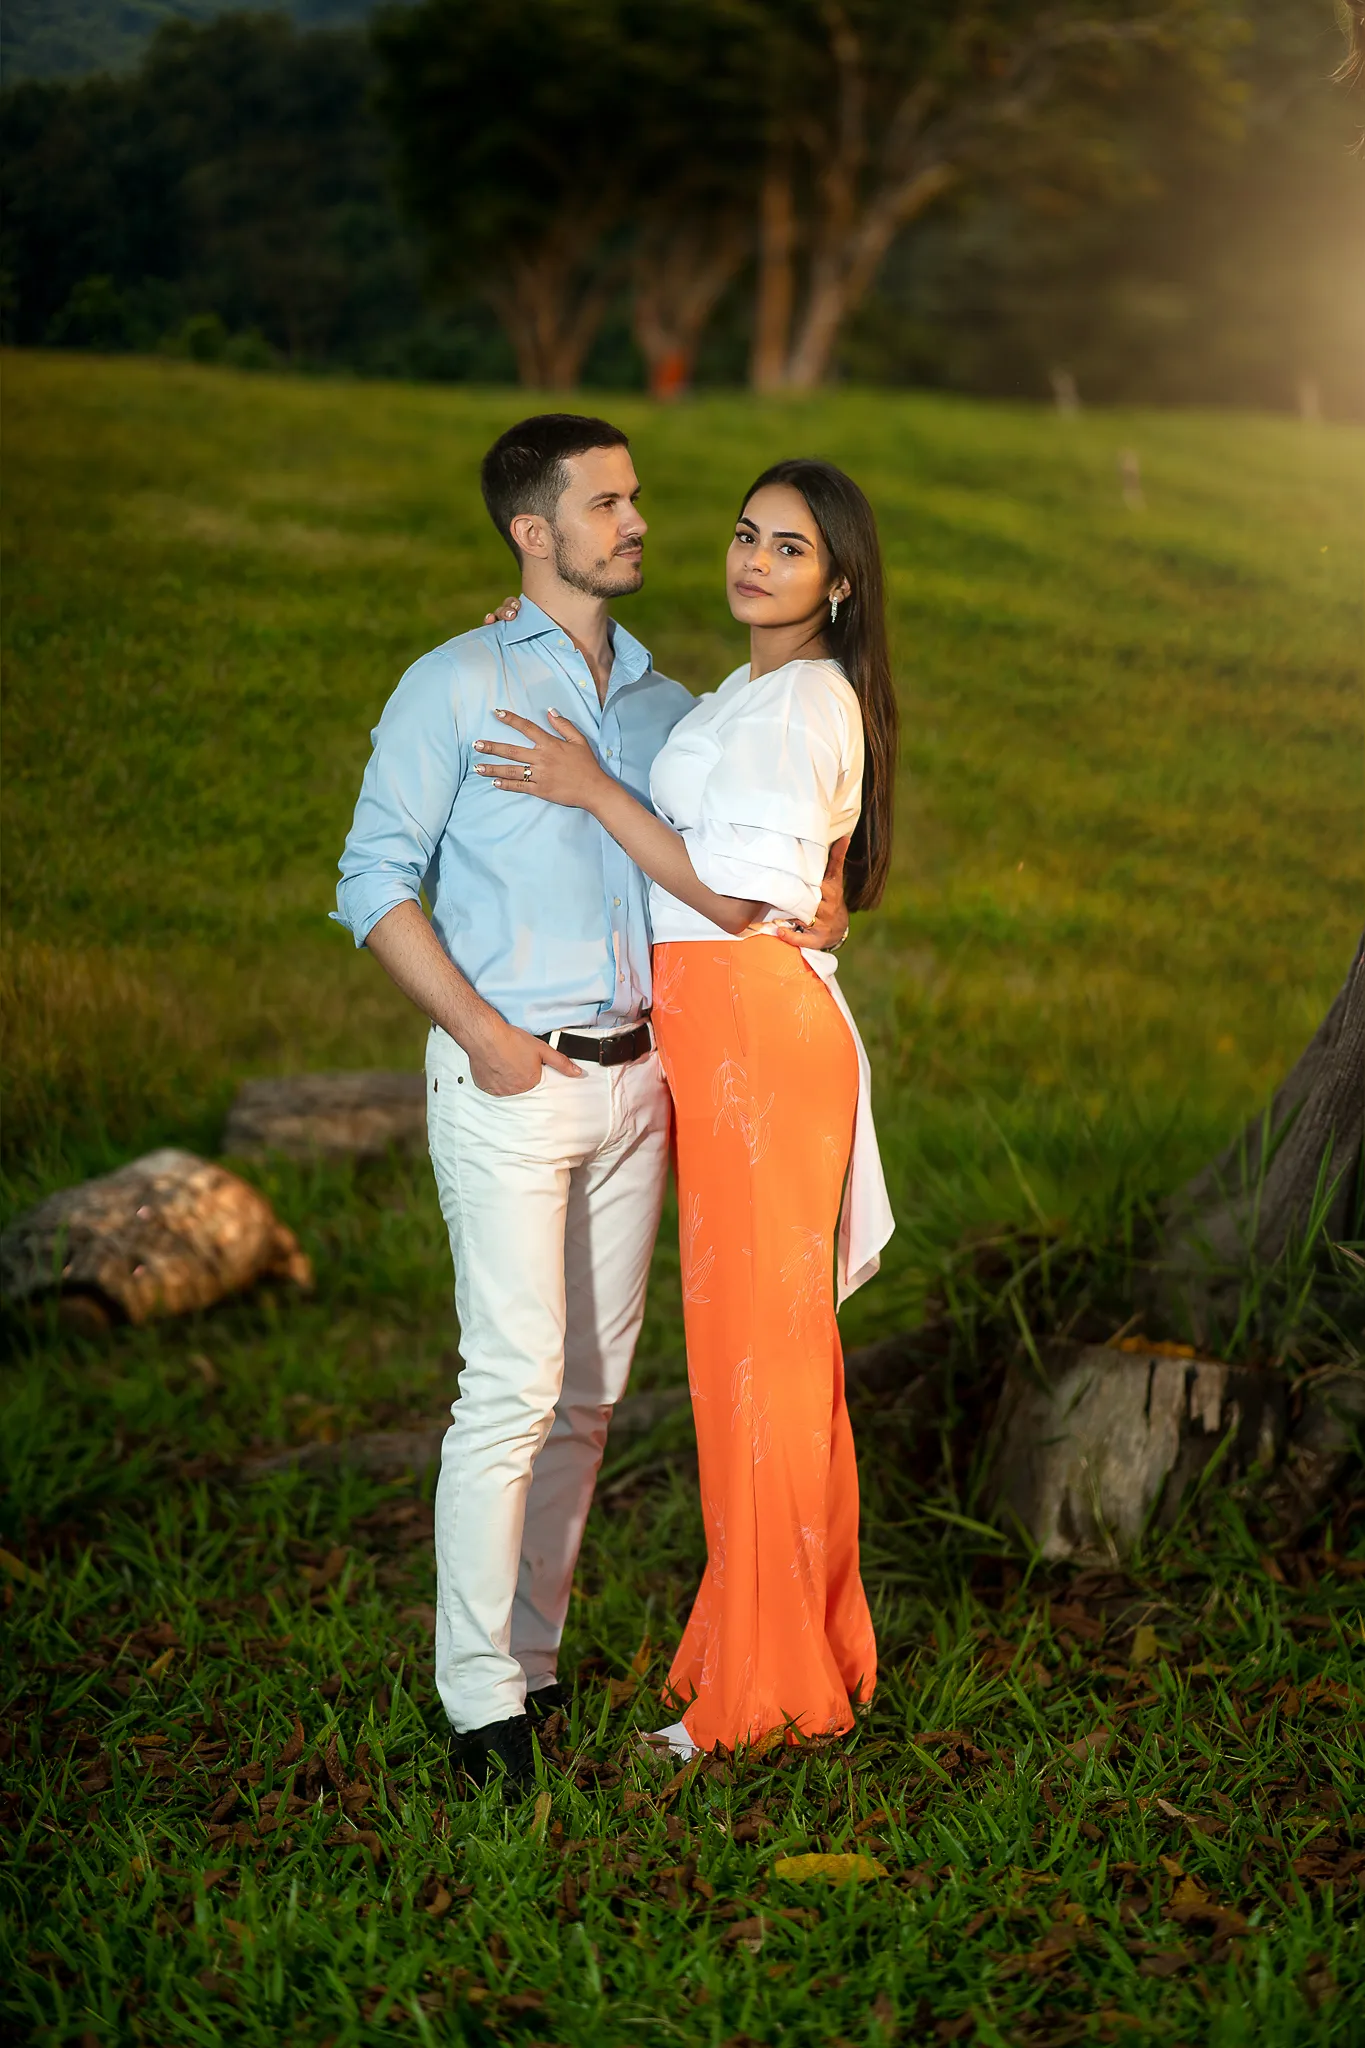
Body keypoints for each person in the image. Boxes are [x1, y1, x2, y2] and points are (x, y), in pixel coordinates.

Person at [333, 416, 848, 1796]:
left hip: (643, 1090)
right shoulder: (455, 682)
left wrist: (823, 893)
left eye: (636, 499)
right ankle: (478, 1701)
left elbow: (734, 856)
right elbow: (371, 881)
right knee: (509, 1388)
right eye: (606, 504)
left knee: (587, 1400)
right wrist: (485, 1037)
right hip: (514, 1077)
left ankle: (536, 1659)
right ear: (532, 531)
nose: (638, 523)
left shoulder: (669, 705)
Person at [473, 457, 897, 1756]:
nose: (755, 561)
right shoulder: (754, 692)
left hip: (757, 1044)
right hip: (728, 1044)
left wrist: (593, 792)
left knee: (758, 1366)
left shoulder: (802, 701)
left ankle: (768, 1697)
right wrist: (533, 637)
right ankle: (792, 1652)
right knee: (756, 1363)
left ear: (840, 582)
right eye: (747, 535)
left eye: (791, 548)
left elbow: (732, 895)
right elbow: (766, 859)